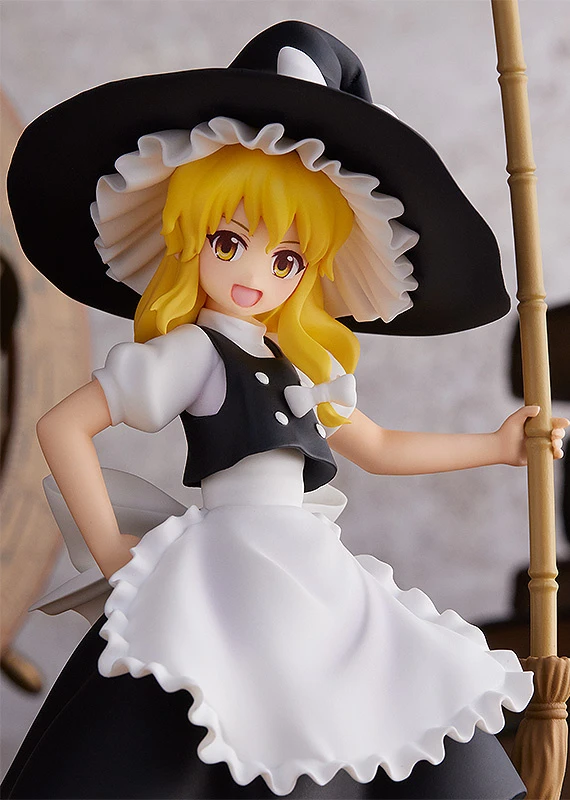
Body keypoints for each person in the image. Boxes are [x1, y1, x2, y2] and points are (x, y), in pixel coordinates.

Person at [4, 21, 567, 800]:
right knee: (205, 715)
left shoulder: (304, 362)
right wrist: (107, 547)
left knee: (391, 696)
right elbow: (61, 425)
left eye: (287, 259)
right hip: (225, 562)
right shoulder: (194, 352)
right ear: (190, 236)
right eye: (228, 242)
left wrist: (497, 446)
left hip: (310, 560)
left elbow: (377, 446)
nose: (254, 273)